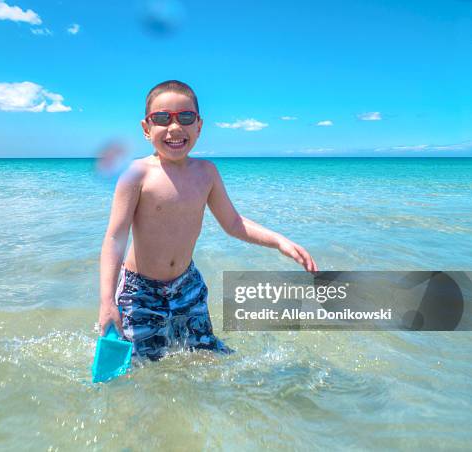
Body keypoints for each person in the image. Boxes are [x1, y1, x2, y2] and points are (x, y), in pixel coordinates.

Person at [98, 80, 318, 361]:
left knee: (207, 357)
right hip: (140, 292)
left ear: (199, 126)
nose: (175, 127)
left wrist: (279, 241)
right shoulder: (137, 174)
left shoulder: (206, 173)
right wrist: (107, 301)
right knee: (141, 366)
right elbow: (115, 238)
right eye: (162, 118)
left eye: (185, 118)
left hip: (187, 286)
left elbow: (234, 223)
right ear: (146, 128)